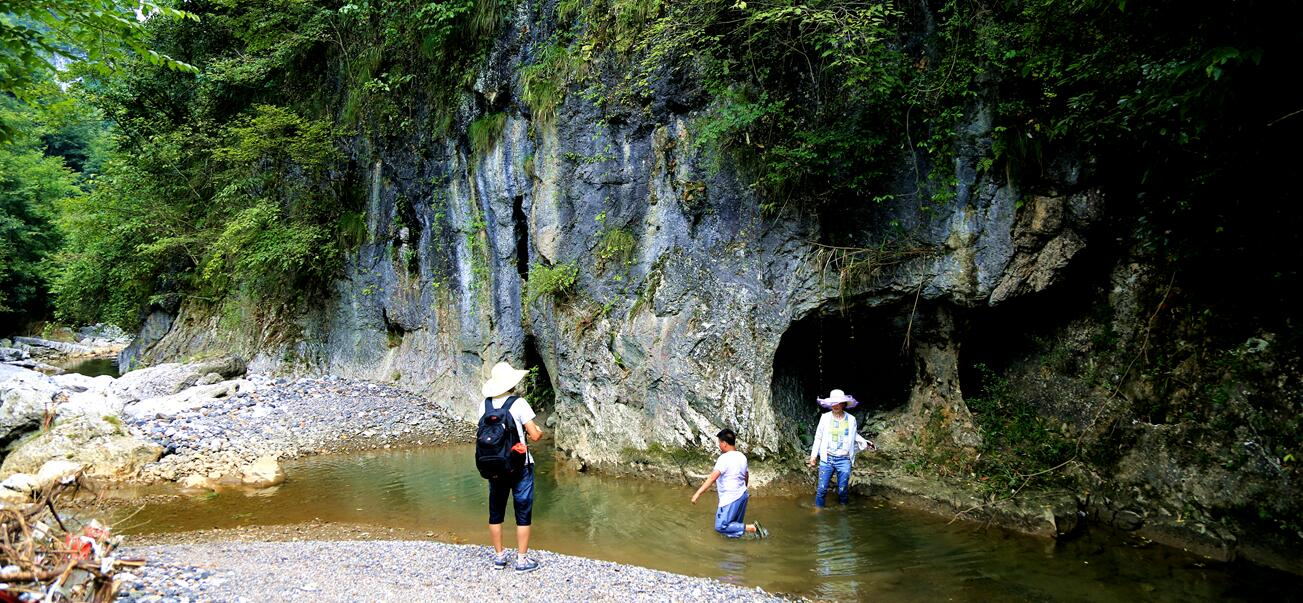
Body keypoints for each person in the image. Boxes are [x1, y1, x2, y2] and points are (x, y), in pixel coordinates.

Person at [478, 361, 544, 572]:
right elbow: (534, 436)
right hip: (519, 466)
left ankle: (499, 557)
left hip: (493, 465)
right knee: (522, 510)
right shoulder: (519, 403)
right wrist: (539, 431)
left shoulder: (484, 405)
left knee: (495, 511)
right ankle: (522, 560)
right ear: (511, 383)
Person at [691, 428, 769, 539]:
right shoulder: (742, 457)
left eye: (719, 443)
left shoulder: (724, 459)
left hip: (730, 498)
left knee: (721, 527)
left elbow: (712, 478)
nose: (719, 446)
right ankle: (737, 551)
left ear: (724, 443)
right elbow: (746, 476)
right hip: (742, 495)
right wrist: (743, 490)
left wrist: (697, 494)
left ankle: (751, 528)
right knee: (733, 532)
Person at [807, 389, 875, 507]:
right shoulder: (825, 418)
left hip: (844, 460)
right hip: (827, 459)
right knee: (822, 489)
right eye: (833, 403)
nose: (835, 405)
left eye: (838, 403)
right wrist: (813, 456)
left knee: (843, 490)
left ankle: (843, 510)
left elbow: (854, 435)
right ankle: (818, 512)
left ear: (843, 404)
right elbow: (818, 437)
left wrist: (866, 442)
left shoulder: (851, 419)